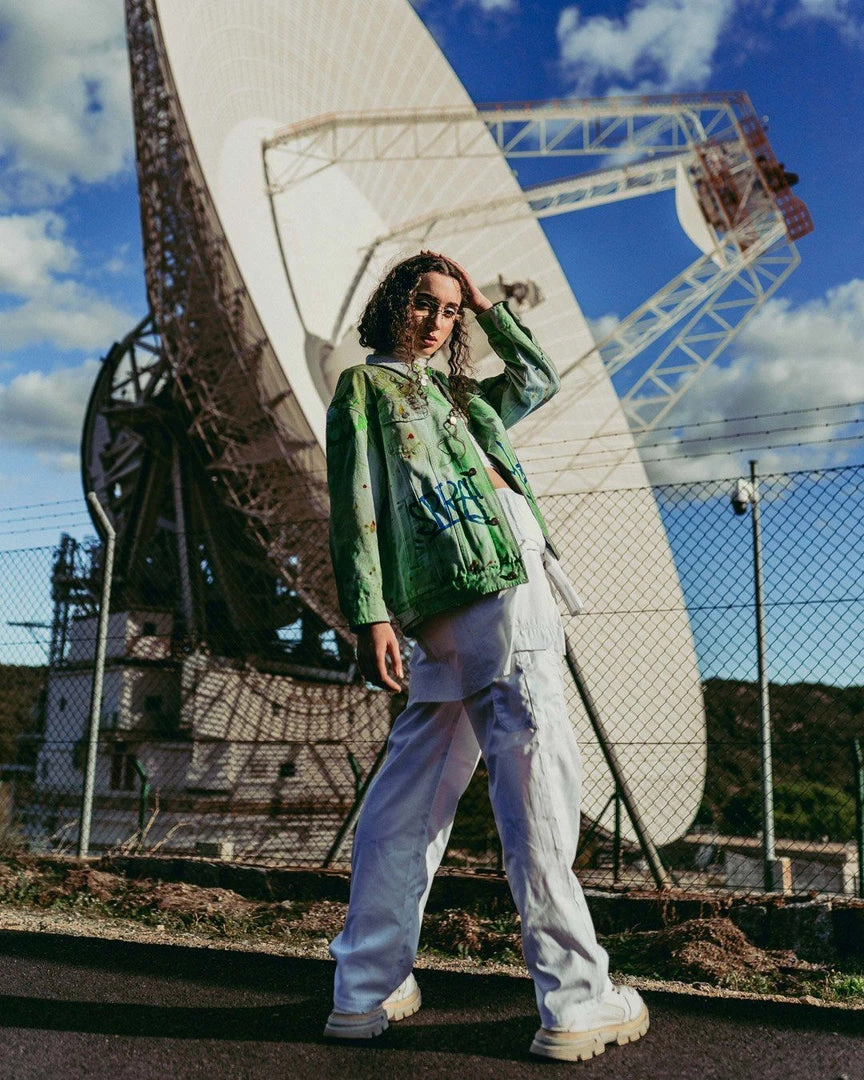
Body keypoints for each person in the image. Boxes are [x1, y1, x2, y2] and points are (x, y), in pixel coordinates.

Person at [323, 251, 648, 1062]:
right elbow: (355, 505)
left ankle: (365, 987)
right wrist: (369, 614)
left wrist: (486, 304)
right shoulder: (365, 389)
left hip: (466, 599)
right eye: (422, 302)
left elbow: (537, 378)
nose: (436, 321)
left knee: (412, 790)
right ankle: (576, 999)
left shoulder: (462, 397)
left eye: (449, 311)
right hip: (489, 595)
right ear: (389, 304)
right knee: (536, 778)